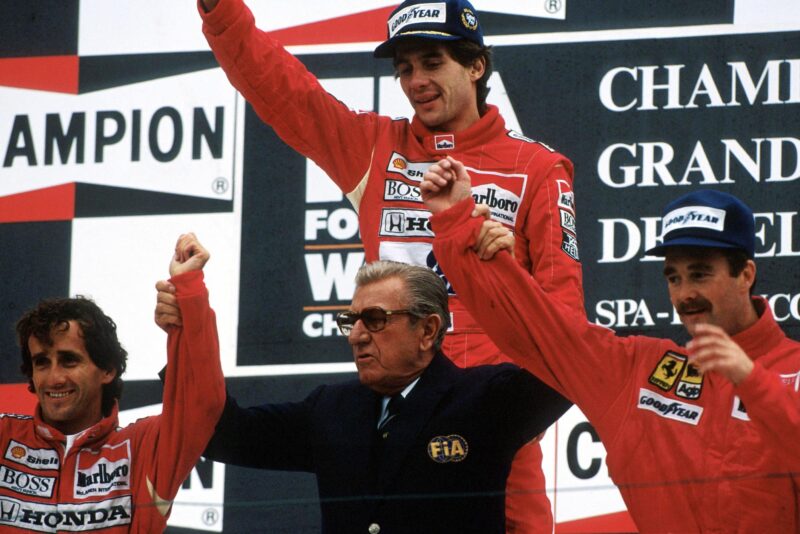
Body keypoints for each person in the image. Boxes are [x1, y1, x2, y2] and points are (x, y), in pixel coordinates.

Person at [196, 0, 585, 528]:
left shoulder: (537, 168)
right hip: (398, 405)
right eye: (404, 67)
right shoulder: (376, 149)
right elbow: (284, 91)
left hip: (494, 414)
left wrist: (521, 412)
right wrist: (221, 14)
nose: (415, 80)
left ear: (476, 65)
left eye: (432, 62)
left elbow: (563, 310)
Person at [422, 158, 800, 532]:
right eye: (674, 278)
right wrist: (459, 225)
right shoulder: (640, 372)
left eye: (700, 275)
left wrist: (751, 381)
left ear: (745, 275)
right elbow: (540, 327)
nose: (685, 295)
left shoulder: (793, 373)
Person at [155, 260, 571, 533]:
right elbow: (223, 433)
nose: (356, 336)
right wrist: (187, 334)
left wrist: (504, 276)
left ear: (428, 331)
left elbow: (572, 367)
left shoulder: (482, 399)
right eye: (351, 321)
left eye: (375, 320)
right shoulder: (331, 409)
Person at [0, 233, 225, 533]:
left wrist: (189, 302)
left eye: (69, 360)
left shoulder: (144, 450)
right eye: (41, 362)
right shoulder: (4, 437)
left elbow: (202, 403)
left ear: (107, 369)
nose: (53, 378)